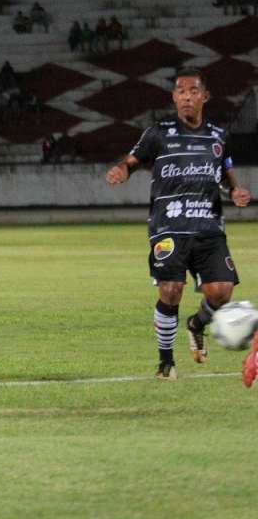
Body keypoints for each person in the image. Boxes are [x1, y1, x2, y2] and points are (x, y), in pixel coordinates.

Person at [105, 68, 251, 379]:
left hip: (209, 226)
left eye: (193, 91)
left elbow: (225, 177)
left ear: (204, 96)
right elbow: (130, 161)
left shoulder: (218, 136)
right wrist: (122, 171)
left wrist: (235, 190)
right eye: (181, 91)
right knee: (171, 290)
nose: (186, 96)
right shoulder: (158, 133)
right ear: (174, 97)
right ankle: (165, 363)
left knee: (222, 292)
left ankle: (197, 324)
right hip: (169, 226)